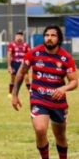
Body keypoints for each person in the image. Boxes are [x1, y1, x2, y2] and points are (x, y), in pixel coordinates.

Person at [12, 25, 77, 159]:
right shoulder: (34, 53)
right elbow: (21, 72)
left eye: (53, 36)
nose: (49, 38)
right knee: (40, 129)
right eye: (47, 35)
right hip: (38, 98)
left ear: (59, 39)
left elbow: (74, 82)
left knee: (60, 135)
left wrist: (63, 88)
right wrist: (14, 95)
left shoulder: (66, 58)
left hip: (58, 102)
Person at [8, 30, 31, 97]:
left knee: (27, 78)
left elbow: (29, 54)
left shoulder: (26, 45)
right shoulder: (12, 44)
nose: (19, 37)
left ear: (23, 37)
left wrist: (29, 64)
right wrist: (9, 66)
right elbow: (9, 55)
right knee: (13, 79)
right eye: (18, 35)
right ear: (15, 36)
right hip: (14, 63)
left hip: (23, 64)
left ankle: (30, 92)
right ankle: (10, 93)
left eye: (21, 35)